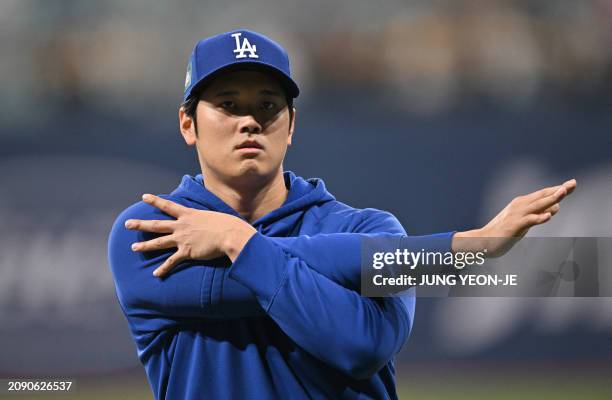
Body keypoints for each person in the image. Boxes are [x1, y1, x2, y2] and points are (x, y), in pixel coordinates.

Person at [107, 29, 576, 400]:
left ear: (291, 126)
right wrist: (456, 251)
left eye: (268, 106)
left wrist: (238, 243)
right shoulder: (151, 232)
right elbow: (363, 270)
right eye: (227, 104)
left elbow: (358, 348)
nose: (249, 121)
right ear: (187, 123)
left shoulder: (370, 228)